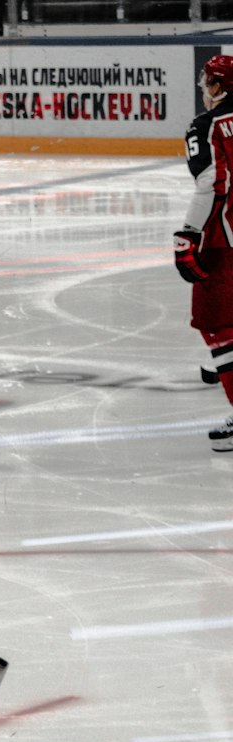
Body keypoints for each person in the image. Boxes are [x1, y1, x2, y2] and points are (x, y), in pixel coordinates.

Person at [174, 53, 233, 453]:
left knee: (217, 325)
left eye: (208, 82)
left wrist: (188, 237)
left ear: (218, 86)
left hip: (224, 240)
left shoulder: (206, 125)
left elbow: (212, 182)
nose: (203, 89)